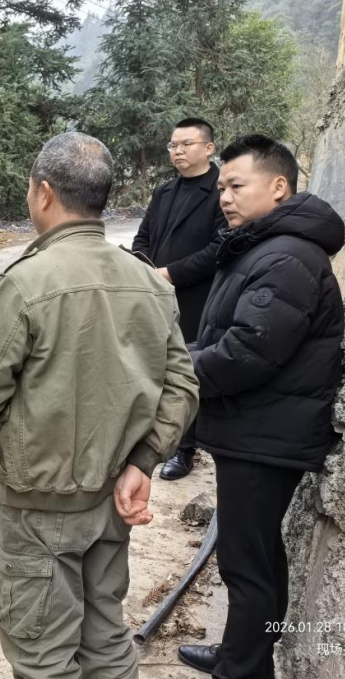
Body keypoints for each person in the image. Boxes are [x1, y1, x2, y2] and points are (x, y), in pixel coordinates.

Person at [0, 132, 199, 679]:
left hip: (41, 502)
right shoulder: (148, 281)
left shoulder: (27, 282)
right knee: (106, 636)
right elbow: (182, 386)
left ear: (43, 193)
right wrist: (143, 461)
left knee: (43, 654)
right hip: (115, 493)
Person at [177, 135, 344, 679]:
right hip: (258, 428)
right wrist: (189, 353)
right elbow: (228, 336)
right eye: (221, 188)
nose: (224, 197)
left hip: (264, 434)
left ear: (278, 186)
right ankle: (243, 654)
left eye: (235, 185)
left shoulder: (287, 256)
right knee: (259, 555)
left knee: (245, 563)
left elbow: (246, 352)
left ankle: (243, 669)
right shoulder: (266, 246)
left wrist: (175, 369)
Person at [132, 118, 226, 481]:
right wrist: (143, 268)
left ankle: (184, 448)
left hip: (197, 297)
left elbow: (219, 247)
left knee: (186, 369)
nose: (178, 151)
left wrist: (171, 273)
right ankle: (149, 435)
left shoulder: (219, 191)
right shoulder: (164, 192)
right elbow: (142, 237)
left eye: (187, 144)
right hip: (155, 295)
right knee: (151, 364)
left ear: (209, 148)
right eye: (173, 145)